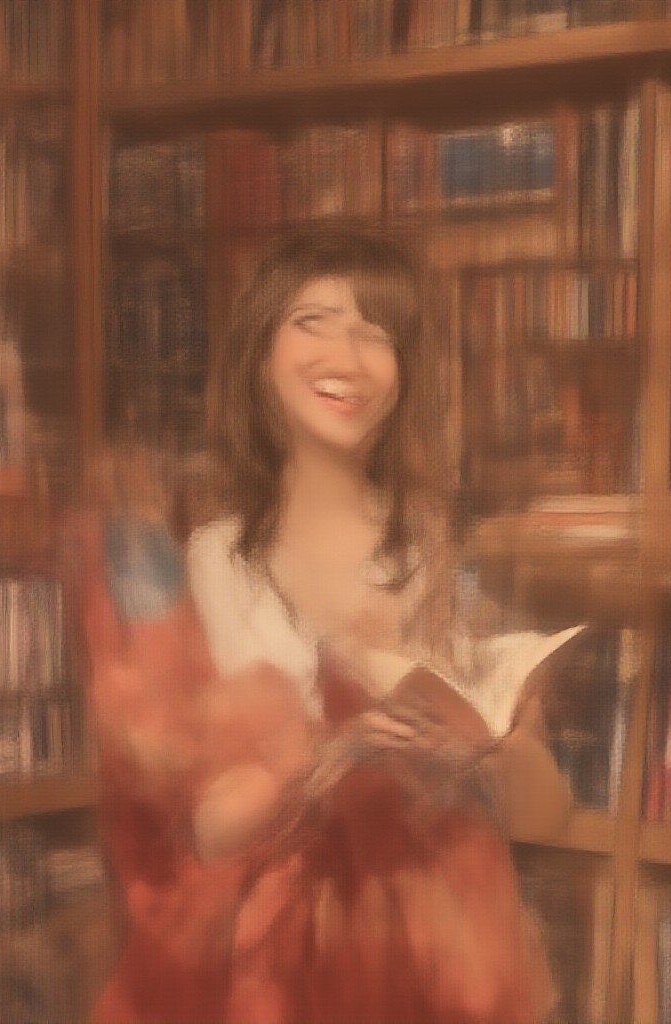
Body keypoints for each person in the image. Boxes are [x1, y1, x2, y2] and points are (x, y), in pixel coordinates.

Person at [72, 226, 585, 1024]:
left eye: (376, 331)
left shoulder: (439, 556)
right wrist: (331, 752)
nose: (346, 355)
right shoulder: (211, 565)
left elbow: (544, 814)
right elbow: (204, 830)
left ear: (404, 370)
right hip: (269, 965)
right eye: (313, 321)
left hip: (436, 955)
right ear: (261, 354)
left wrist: (495, 751)